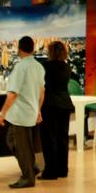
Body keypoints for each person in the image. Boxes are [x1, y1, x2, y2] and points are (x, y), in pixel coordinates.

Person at [0, 36, 45, 188]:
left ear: (19, 49)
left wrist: (2, 113)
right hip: (30, 112)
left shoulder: (20, 67)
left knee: (21, 146)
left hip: (20, 114)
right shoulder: (39, 67)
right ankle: (31, 167)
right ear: (33, 48)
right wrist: (38, 110)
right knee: (13, 141)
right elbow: (42, 92)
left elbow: (13, 93)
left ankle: (28, 177)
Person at [40, 40, 74, 179]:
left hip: (50, 104)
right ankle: (62, 169)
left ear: (51, 52)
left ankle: (50, 171)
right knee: (62, 138)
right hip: (65, 104)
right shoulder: (67, 67)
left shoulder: (46, 66)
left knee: (50, 138)